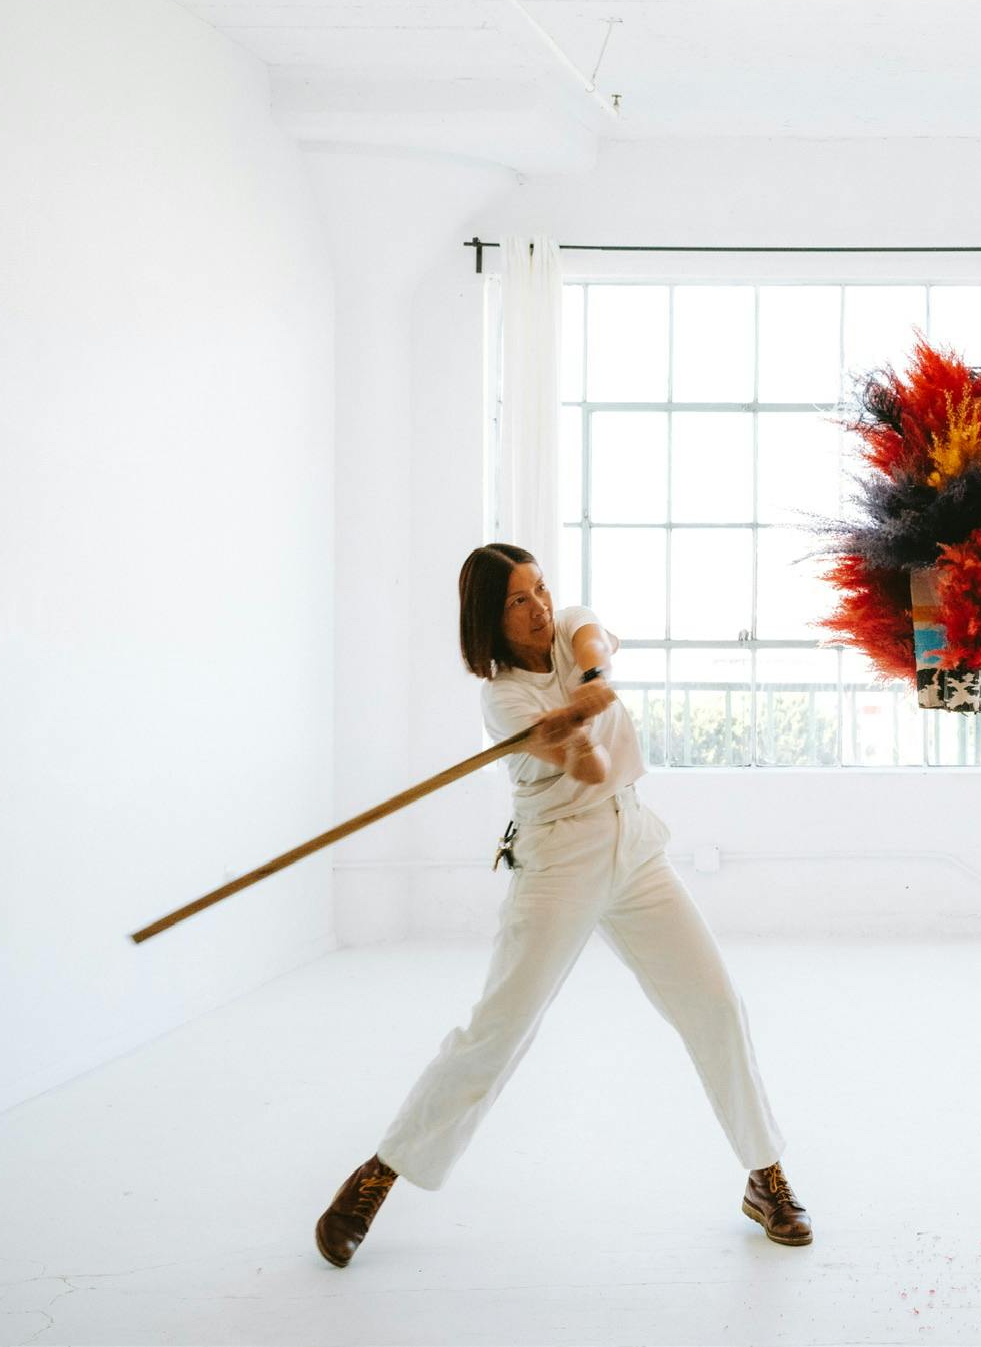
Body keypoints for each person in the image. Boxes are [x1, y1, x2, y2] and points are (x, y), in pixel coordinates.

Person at [313, 542, 809, 1266]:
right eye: (518, 599)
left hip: (633, 844)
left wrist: (595, 681)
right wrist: (571, 730)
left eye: (538, 588)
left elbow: (590, 635)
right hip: (558, 860)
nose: (539, 606)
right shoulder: (504, 699)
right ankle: (377, 1172)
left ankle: (764, 1173)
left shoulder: (570, 627)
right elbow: (589, 764)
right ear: (491, 615)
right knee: (498, 1031)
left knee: (715, 1005)